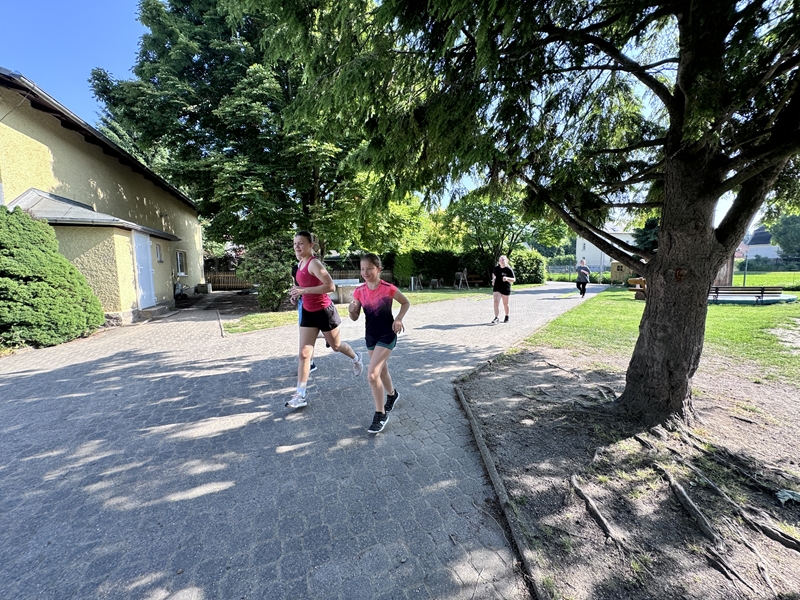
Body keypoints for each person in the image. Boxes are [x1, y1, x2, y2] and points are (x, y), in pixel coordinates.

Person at [286, 231, 363, 409]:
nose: (297, 246)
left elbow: (330, 286)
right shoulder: (300, 263)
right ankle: (300, 394)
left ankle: (356, 357)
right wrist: (296, 295)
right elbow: (302, 286)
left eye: (301, 243)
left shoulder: (314, 263)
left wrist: (304, 291)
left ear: (311, 245)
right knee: (304, 353)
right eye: (295, 243)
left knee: (336, 346)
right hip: (308, 311)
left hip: (324, 312)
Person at [349, 254, 410, 434]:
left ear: (378, 269)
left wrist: (398, 318)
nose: (365, 272)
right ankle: (392, 395)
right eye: (362, 269)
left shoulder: (388, 288)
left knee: (372, 374)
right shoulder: (359, 291)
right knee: (382, 370)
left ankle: (380, 414)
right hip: (371, 336)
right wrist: (351, 311)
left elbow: (405, 302)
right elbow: (354, 317)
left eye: (369, 268)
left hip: (387, 334)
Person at [491, 255, 515, 323]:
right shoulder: (496, 268)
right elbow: (494, 274)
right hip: (497, 287)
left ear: (506, 261)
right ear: (499, 261)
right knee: (496, 302)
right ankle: (496, 318)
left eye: (503, 260)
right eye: (500, 260)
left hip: (505, 288)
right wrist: (493, 280)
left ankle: (507, 316)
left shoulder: (508, 269)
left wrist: (507, 278)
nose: (501, 261)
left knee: (505, 303)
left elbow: (514, 279)